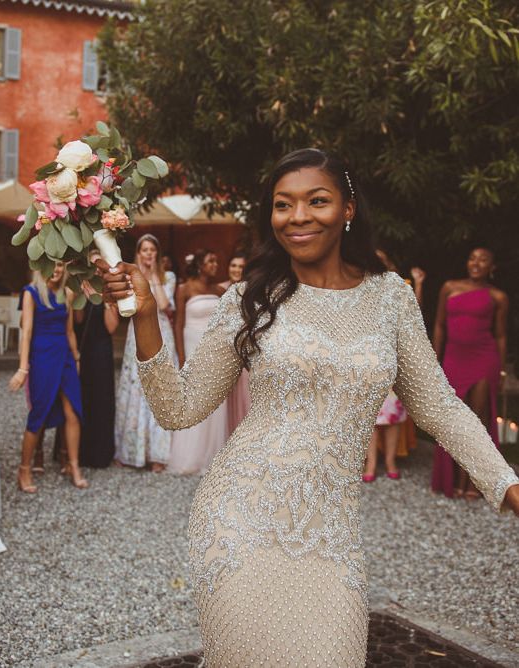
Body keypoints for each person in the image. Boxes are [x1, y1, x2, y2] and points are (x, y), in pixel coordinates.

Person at [97, 148, 519, 666]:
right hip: (240, 522)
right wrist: (143, 317)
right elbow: (177, 409)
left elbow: (439, 408)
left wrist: (507, 484)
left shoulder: (391, 298)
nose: (297, 216)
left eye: (316, 201)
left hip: (331, 536)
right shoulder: (251, 297)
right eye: (282, 204)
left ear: (347, 208)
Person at [431, 247, 508, 500]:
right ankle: (452, 478)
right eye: (472, 257)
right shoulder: (449, 287)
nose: (476, 263)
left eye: (483, 259)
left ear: (491, 267)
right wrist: (434, 361)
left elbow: (500, 335)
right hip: (454, 359)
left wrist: (500, 370)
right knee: (453, 422)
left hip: (483, 361)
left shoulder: (497, 296)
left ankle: (473, 483)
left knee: (478, 423)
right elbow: (440, 325)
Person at [8, 264, 87, 491]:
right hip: (42, 357)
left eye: (60, 265)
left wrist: (77, 359)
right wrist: (23, 368)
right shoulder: (30, 292)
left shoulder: (67, 293)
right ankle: (24, 469)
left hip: (65, 356)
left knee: (73, 411)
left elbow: (70, 331)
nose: (57, 269)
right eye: (51, 264)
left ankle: (74, 466)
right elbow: (27, 332)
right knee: (39, 412)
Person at [114, 234, 177, 471]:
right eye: (144, 250)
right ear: (138, 254)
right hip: (137, 333)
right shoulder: (130, 277)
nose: (148, 253)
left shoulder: (167, 276)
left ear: (157, 254)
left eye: (152, 250)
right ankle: (131, 451)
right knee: (135, 387)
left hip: (163, 334)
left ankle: (157, 454)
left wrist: (152, 277)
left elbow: (162, 305)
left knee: (160, 387)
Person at [363, 251, 426, 481]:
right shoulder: (357, 284)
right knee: (369, 414)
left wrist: (418, 284)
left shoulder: (398, 286)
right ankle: (370, 463)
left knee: (393, 414)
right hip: (366, 359)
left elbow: (414, 311)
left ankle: (389, 460)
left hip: (393, 357)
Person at [167, 249, 228, 474]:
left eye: (216, 261)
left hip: (215, 350)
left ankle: (211, 455)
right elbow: (178, 324)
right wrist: (182, 358)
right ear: (200, 264)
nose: (215, 264)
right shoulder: (184, 289)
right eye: (211, 260)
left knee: (214, 400)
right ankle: (189, 456)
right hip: (192, 347)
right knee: (193, 398)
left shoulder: (220, 290)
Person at [75, 274, 119, 468]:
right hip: (82, 348)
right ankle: (78, 452)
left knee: (102, 399)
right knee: (80, 397)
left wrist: (104, 298)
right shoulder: (79, 289)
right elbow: (77, 319)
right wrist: (82, 295)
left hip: (101, 349)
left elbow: (112, 327)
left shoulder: (108, 293)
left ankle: (101, 454)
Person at [219, 252, 251, 434]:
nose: (237, 270)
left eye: (241, 266)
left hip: (244, 352)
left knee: (245, 398)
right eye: (233, 266)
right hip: (223, 354)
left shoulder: (250, 290)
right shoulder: (219, 290)